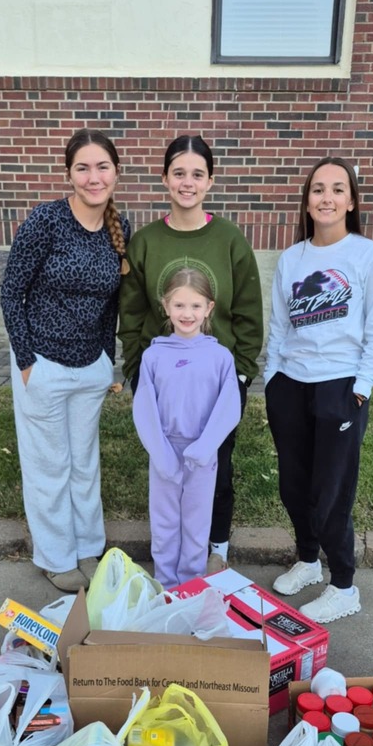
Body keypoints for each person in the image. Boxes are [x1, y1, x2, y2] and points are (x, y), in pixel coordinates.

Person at [118, 135, 263, 574]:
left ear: (210, 181)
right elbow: (131, 311)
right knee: (167, 469)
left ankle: (214, 549)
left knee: (216, 467)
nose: (188, 182)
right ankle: (170, 564)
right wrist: (135, 371)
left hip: (216, 380)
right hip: (163, 380)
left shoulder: (229, 239)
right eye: (179, 173)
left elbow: (249, 310)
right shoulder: (146, 242)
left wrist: (240, 374)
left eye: (197, 174)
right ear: (165, 178)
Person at [0, 128, 131, 593]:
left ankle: (87, 547)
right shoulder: (46, 220)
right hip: (44, 363)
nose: (94, 177)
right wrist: (26, 360)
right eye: (83, 168)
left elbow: (112, 301)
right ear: (69, 174)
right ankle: (56, 557)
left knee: (84, 465)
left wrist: (107, 358)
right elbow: (12, 291)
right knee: (49, 467)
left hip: (91, 365)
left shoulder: (120, 227)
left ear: (116, 172)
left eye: (102, 167)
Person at [263, 157, 373, 623]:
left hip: (340, 385)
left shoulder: (368, 256)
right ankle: (308, 559)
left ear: (351, 201)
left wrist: (361, 387)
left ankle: (343, 586)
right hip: (291, 385)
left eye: (338, 189)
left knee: (331, 492)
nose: (327, 198)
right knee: (294, 485)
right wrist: (273, 378)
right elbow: (280, 326)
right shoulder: (292, 259)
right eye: (318, 189)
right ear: (307, 201)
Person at [132, 268, 242, 589]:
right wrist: (161, 454)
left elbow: (228, 407)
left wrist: (204, 448)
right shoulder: (153, 356)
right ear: (166, 306)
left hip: (202, 455)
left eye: (195, 306)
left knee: (196, 524)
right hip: (164, 450)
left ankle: (191, 585)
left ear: (209, 308)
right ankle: (166, 586)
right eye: (179, 305)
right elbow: (145, 409)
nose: (187, 314)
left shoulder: (220, 357)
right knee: (165, 523)